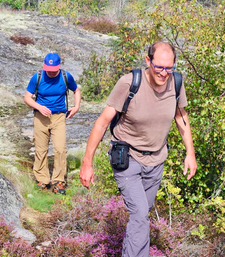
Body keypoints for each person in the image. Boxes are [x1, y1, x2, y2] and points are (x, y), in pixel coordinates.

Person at [79, 42, 197, 257]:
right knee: (141, 214)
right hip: (127, 158)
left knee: (141, 216)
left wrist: (190, 154)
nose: (163, 73)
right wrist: (87, 163)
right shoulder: (129, 83)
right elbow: (102, 122)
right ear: (148, 61)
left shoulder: (176, 83)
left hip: (156, 160)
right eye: (158, 67)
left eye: (169, 68)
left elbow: (181, 117)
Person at [24, 53, 81, 195]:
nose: (50, 71)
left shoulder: (66, 76)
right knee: (40, 149)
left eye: (53, 69)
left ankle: (58, 181)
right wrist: (38, 106)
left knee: (60, 148)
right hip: (40, 118)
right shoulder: (37, 77)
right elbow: (27, 97)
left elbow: (76, 90)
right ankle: (42, 180)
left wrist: (76, 106)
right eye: (48, 68)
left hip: (59, 117)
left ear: (59, 66)